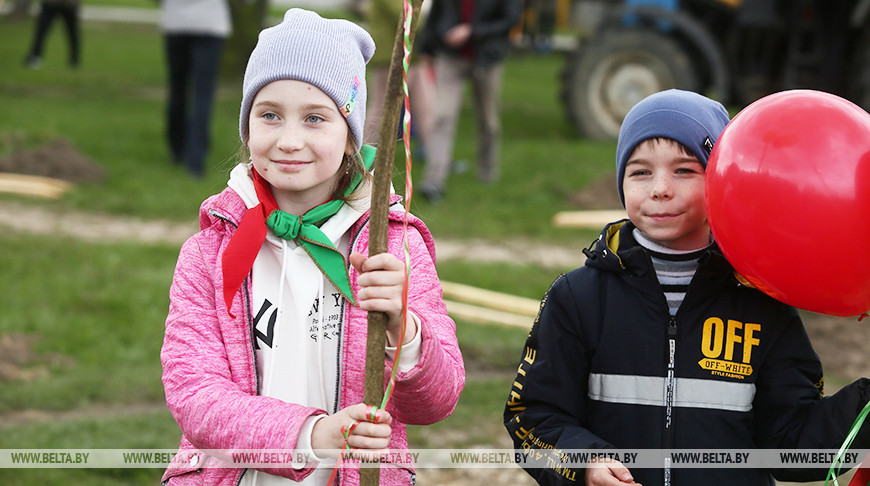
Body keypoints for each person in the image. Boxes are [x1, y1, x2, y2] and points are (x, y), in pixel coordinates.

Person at [503, 89, 870, 486]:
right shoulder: (577, 298)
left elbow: (791, 446)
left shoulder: (762, 305)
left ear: (722, 179)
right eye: (640, 171)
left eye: (684, 170)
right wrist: (584, 464)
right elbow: (533, 416)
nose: (660, 188)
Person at [160, 9, 465, 486]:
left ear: (350, 138)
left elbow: (435, 402)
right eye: (270, 115)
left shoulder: (392, 248)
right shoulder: (210, 252)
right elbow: (194, 395)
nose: (288, 140)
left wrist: (404, 330)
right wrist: (312, 434)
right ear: (247, 127)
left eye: (315, 118)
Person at [415, 0, 522, 202]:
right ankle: (434, 180)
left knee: (487, 119)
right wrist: (427, 47)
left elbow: (511, 18)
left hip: (486, 57)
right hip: (450, 56)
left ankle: (487, 171)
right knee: (442, 116)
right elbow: (437, 13)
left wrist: (472, 31)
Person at [159, 0, 231, 177]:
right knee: (203, 95)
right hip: (210, 22)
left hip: (175, 22)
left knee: (177, 89)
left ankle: (177, 149)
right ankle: (195, 160)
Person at [362, 0, 436, 162]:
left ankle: (435, 156)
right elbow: (405, 16)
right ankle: (361, 152)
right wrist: (436, 24)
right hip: (392, 56)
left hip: (414, 55)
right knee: (382, 106)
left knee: (425, 106)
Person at [24, 0, 81, 69]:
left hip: (69, 5)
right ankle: (35, 56)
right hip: (50, 4)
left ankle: (74, 60)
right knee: (41, 31)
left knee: (72, 32)